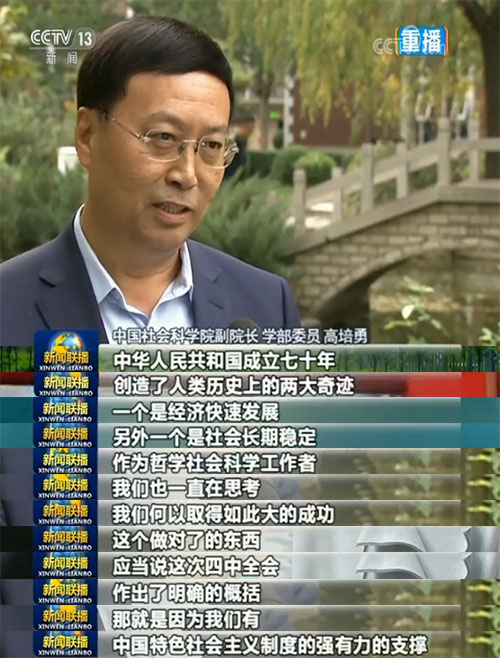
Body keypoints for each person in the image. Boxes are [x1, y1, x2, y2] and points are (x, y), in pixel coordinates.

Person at [0, 17, 300, 346]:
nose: (187, 175)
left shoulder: (267, 305)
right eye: (163, 137)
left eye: (212, 145)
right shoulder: (8, 303)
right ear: (88, 135)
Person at [222, 112, 255, 180]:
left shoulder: (243, 141)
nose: (250, 132)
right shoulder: (233, 140)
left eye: (252, 129)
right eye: (249, 128)